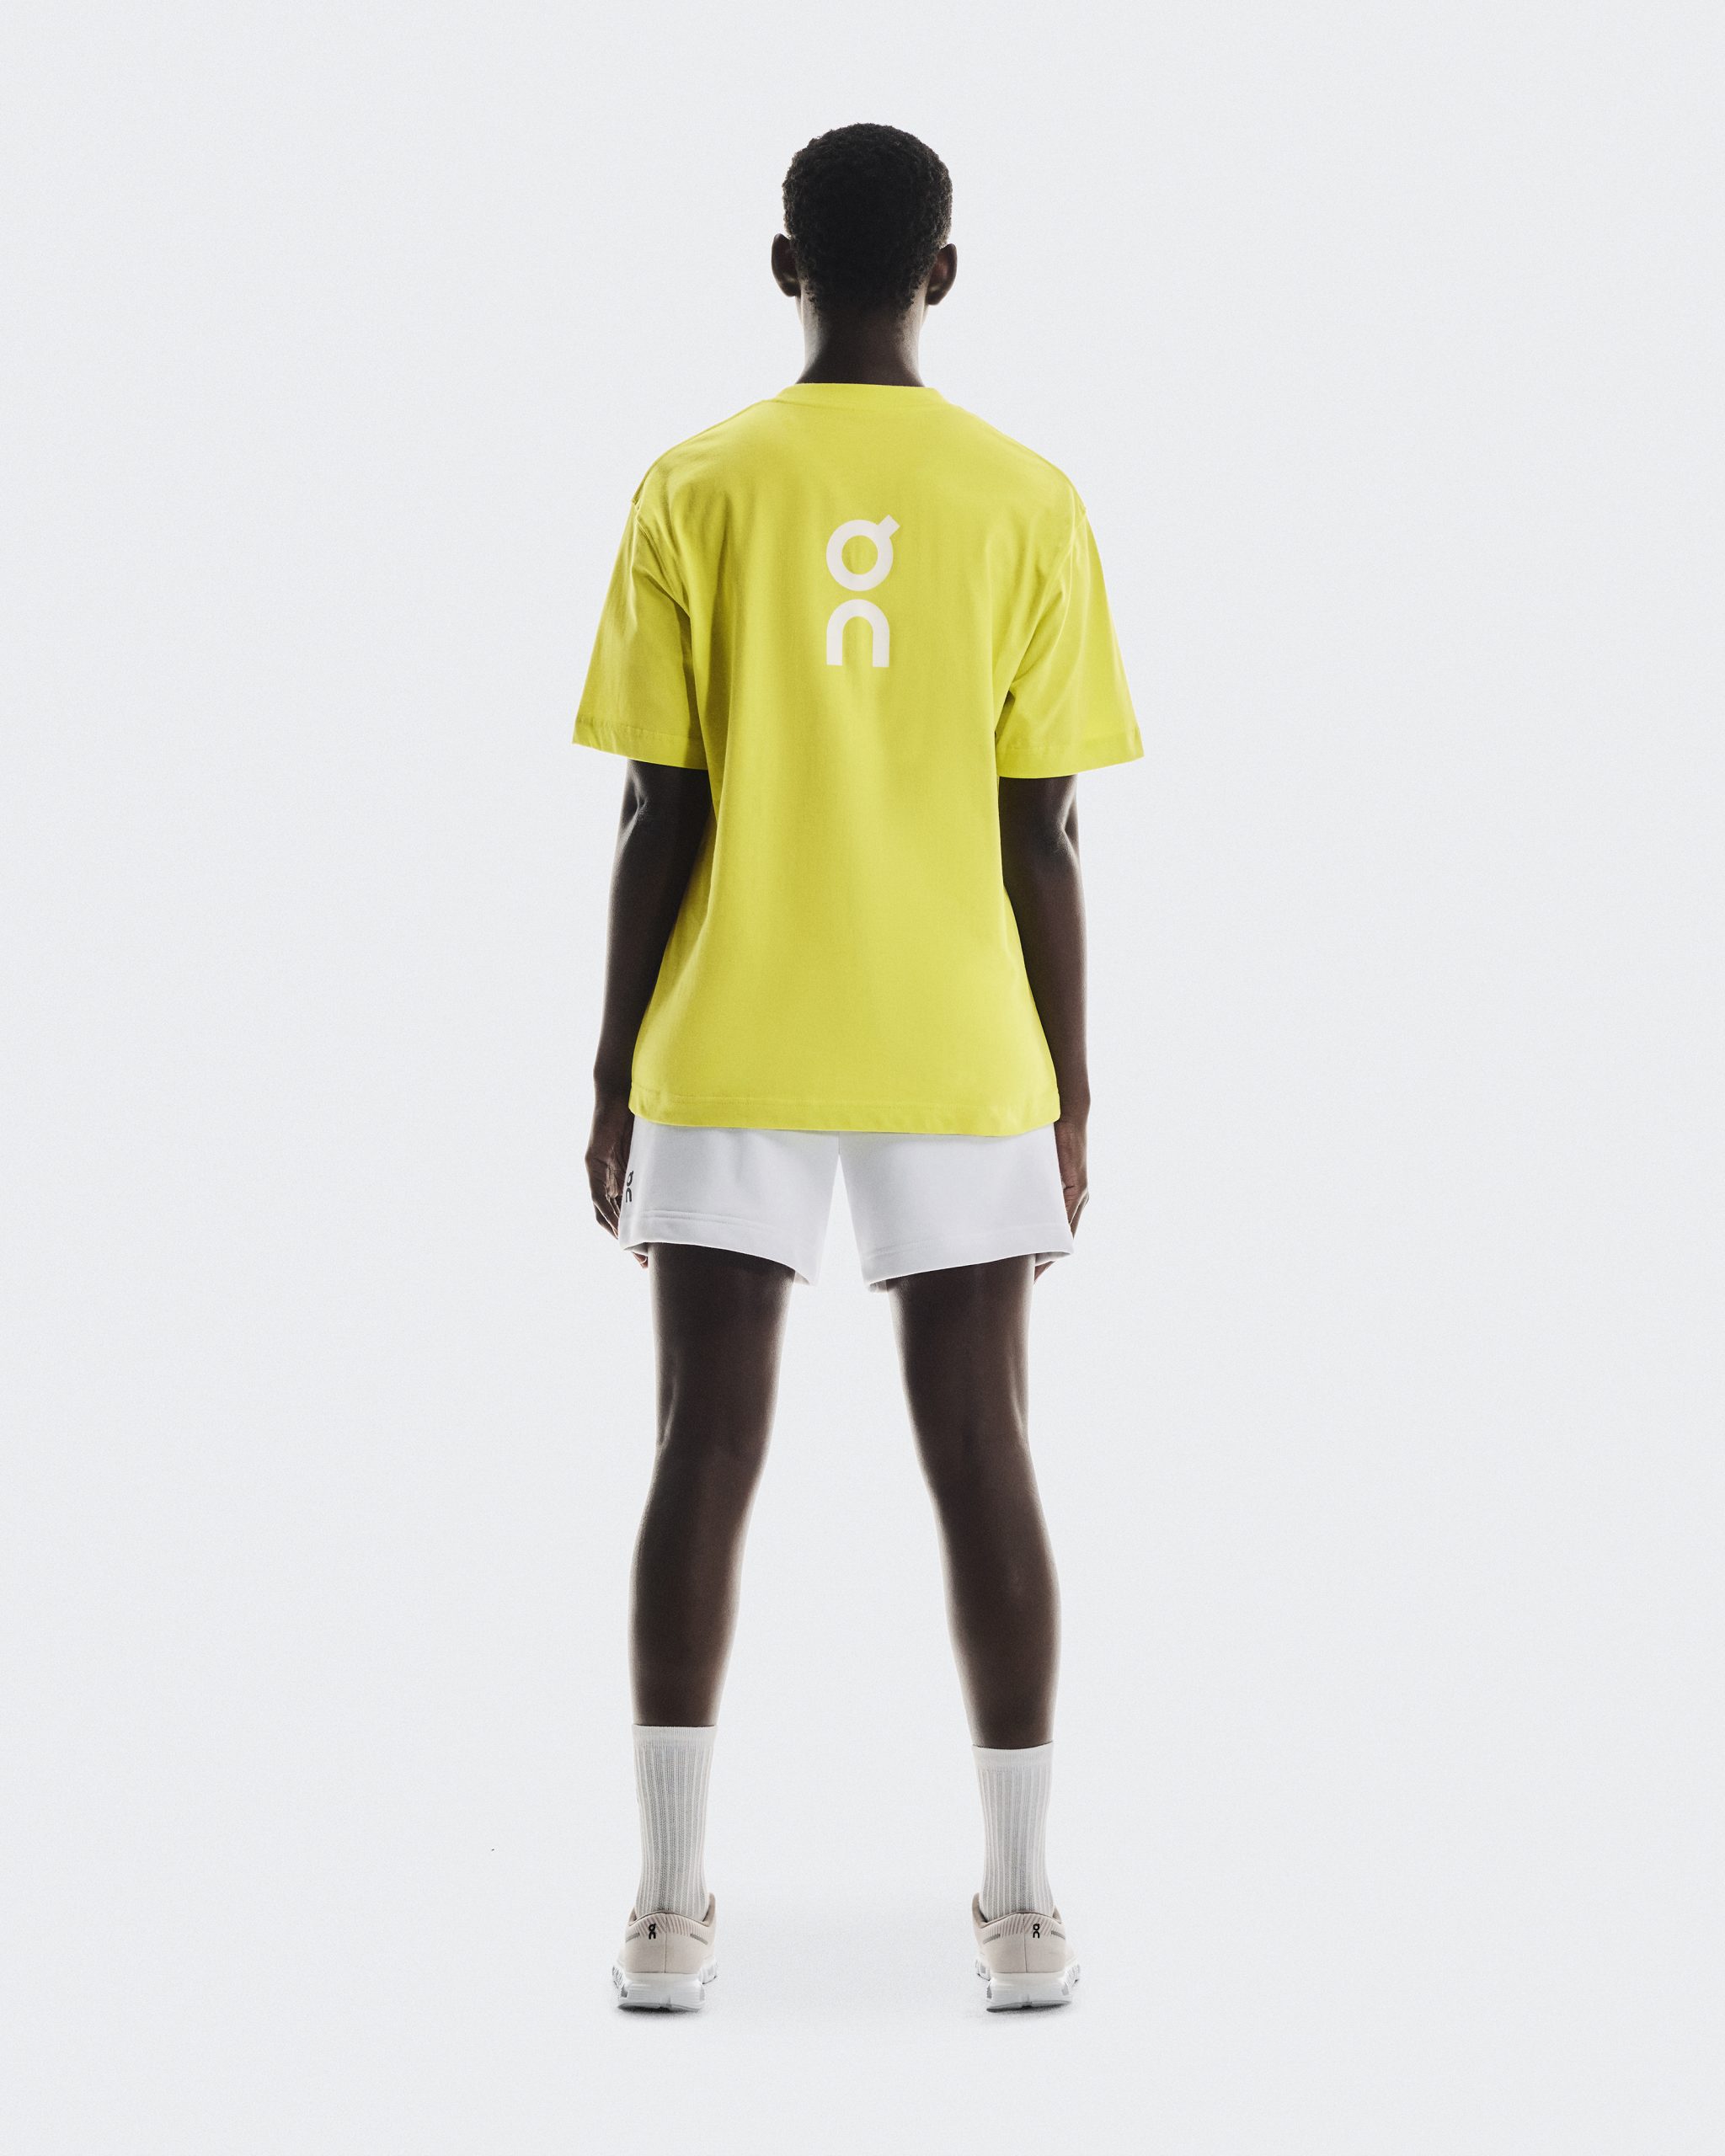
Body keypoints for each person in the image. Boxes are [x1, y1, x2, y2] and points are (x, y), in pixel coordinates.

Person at [574, 122, 1141, 2013]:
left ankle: (665, 1910)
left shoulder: (694, 482)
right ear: (944, 273)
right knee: (983, 1449)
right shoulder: (1028, 497)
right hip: (958, 1038)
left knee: (701, 1448)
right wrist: (1069, 1083)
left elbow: (659, 807)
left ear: (783, 265)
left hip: (729, 1026)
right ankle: (1026, 1907)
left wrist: (610, 1065)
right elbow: (1044, 827)